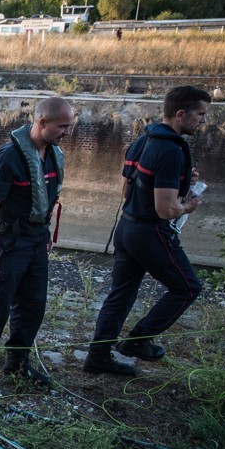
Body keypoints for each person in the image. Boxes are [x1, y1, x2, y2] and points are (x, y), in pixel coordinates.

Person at [83, 86, 210, 375]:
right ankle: (138, 342)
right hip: (150, 232)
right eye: (200, 114)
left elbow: (128, 189)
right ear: (181, 114)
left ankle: (97, 357)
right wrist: (188, 204)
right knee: (188, 287)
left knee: (121, 294)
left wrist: (178, 182)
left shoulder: (144, 139)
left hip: (127, 227)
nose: (203, 121)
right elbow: (165, 210)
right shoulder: (170, 150)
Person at [0, 97, 75, 392]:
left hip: (37, 240)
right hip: (9, 242)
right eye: (62, 126)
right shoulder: (8, 157)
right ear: (42, 123)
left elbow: (46, 198)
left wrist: (46, 234)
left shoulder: (52, 154)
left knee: (33, 305)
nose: (67, 132)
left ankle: (17, 361)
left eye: (69, 126)